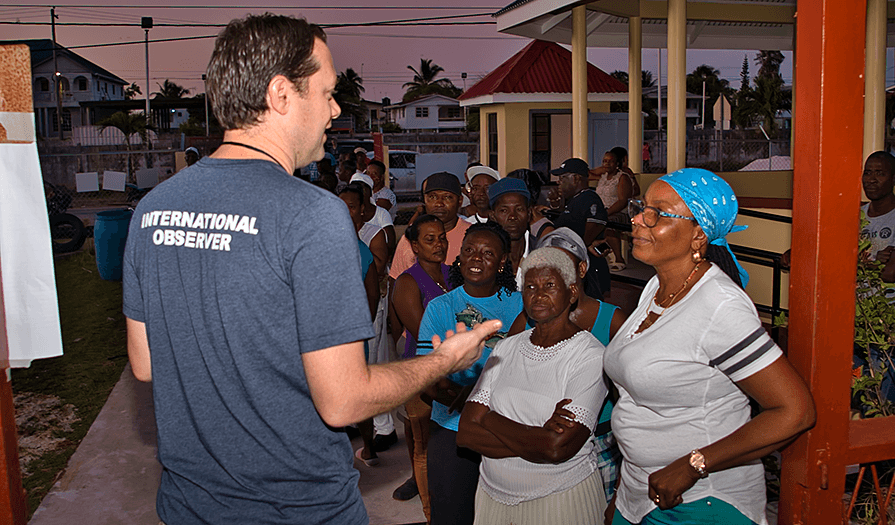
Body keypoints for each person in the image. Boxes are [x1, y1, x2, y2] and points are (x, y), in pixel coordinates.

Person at [122, 15, 501, 525]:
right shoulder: (311, 213)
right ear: (281, 95)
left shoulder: (154, 208)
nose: (336, 108)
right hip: (298, 509)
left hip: (191, 506)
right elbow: (344, 402)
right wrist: (444, 361)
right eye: (325, 91)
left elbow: (146, 364)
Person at [604, 168, 816, 525]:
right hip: (639, 495)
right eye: (642, 208)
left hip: (699, 502)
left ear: (698, 234)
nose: (638, 219)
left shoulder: (719, 306)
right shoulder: (655, 290)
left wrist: (693, 465)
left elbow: (794, 411)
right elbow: (635, 403)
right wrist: (624, 491)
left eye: (656, 213)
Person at [457, 247, 609, 524]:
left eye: (549, 285)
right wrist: (538, 438)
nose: (538, 294)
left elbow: (557, 448)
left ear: (572, 292)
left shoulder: (590, 356)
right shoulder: (507, 347)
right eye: (530, 287)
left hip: (560, 500)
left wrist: (489, 418)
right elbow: (466, 433)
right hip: (493, 497)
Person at [508, 227, 627, 503]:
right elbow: (505, 378)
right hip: (544, 438)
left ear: (582, 269)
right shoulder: (528, 320)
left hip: (603, 441)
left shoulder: (613, 321)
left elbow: (632, 392)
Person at [417, 222, 524, 525]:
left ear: (503, 261)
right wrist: (456, 392)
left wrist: (479, 395)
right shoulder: (441, 307)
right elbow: (427, 379)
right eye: (469, 251)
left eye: (488, 253)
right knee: (452, 514)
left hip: (507, 426)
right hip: (451, 428)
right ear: (459, 256)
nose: (476, 259)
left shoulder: (521, 305)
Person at [390, 214, 453, 518]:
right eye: (430, 239)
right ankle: (430, 513)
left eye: (442, 237)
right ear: (414, 245)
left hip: (456, 372)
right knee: (425, 448)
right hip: (422, 374)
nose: (439, 244)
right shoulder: (407, 282)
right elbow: (424, 333)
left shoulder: (453, 274)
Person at [390, 172, 471, 279]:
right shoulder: (411, 236)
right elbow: (394, 281)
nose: (439, 203)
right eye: (432, 197)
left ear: (460, 201)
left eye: (447, 197)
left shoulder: (472, 235)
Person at [551, 157, 611, 300]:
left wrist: (584, 245)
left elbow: (595, 227)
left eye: (563, 178)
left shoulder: (589, 199)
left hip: (589, 270)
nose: (559, 182)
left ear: (576, 178)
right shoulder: (575, 199)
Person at [487, 177, 537, 288]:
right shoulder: (485, 257)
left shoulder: (543, 252)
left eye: (519, 209)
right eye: (504, 211)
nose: (513, 217)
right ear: (493, 216)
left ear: (529, 214)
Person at [590, 151, 634, 272]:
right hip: (602, 211)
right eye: (605, 161)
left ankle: (619, 259)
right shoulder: (603, 177)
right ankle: (597, 253)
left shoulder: (623, 177)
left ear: (617, 164)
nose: (607, 164)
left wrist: (606, 213)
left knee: (608, 222)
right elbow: (587, 174)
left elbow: (623, 201)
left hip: (620, 212)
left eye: (610, 161)